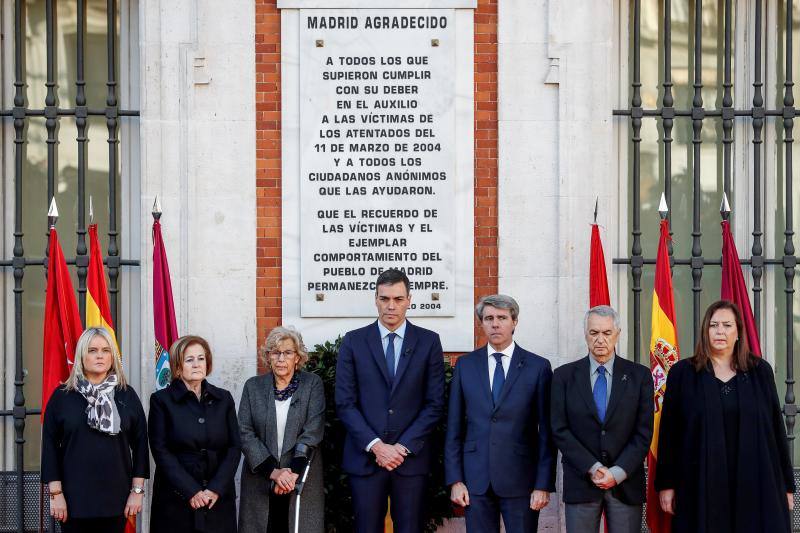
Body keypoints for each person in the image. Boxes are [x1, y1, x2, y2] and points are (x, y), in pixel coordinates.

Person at [655, 300, 795, 533]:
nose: (720, 331)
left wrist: (787, 485)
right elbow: (669, 434)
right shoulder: (683, 374)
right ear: (705, 331)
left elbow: (776, 431)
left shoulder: (760, 371)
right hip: (700, 481)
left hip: (755, 479)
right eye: (714, 325)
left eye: (727, 325)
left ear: (738, 332)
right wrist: (666, 484)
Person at [335, 268, 446, 533]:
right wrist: (377, 446)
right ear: (376, 299)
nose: (391, 306)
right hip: (365, 459)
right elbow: (345, 403)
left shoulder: (429, 342)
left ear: (409, 299)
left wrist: (401, 447)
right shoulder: (353, 341)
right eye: (384, 299)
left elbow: (434, 403)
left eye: (397, 299)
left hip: (410, 460)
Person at [444, 294, 556, 533]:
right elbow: (454, 428)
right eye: (489, 318)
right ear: (481, 323)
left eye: (502, 318)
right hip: (476, 481)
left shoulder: (538, 367)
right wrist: (455, 480)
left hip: (522, 482)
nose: (495, 324)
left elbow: (547, 432)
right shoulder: (465, 366)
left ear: (514, 322)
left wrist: (543, 484)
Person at [550, 305, 653, 533]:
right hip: (581, 481)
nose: (600, 340)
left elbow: (643, 433)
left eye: (606, 333)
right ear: (585, 334)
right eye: (594, 333)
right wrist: (593, 467)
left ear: (617, 334)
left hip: (625, 482)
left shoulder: (640, 376)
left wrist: (616, 473)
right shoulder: (563, 376)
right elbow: (559, 429)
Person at [41, 327, 149, 533]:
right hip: (73, 501)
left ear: (113, 356)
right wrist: (56, 495)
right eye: (92, 350)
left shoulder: (126, 394)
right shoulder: (63, 396)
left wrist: (137, 491)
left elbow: (141, 444)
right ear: (82, 355)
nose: (100, 355)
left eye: (106, 350)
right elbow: (49, 447)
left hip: (117, 499)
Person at [148, 335, 241, 533]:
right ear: (178, 366)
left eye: (201, 358)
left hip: (217, 499)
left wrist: (215, 488)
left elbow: (234, 447)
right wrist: (192, 491)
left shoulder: (223, 399)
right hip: (176, 499)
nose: (197, 364)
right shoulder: (161, 401)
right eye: (189, 360)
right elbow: (160, 450)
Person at [239, 326, 325, 533]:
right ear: (268, 357)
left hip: (300, 476)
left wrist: (290, 475)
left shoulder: (312, 384)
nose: (280, 358)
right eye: (275, 352)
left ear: (297, 357)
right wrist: (274, 472)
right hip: (261, 477)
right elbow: (244, 431)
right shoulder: (253, 386)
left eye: (287, 352)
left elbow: (313, 430)